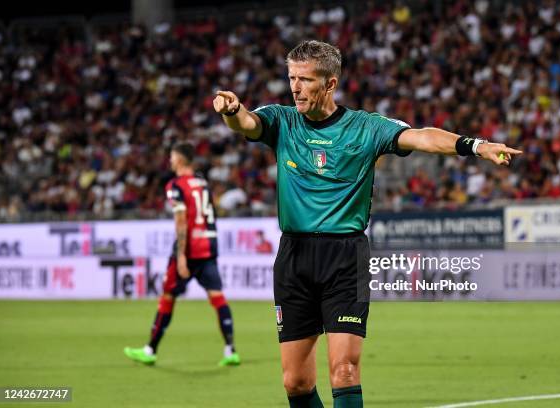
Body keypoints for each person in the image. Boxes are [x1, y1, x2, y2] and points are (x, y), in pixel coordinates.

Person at [213, 40, 521, 407]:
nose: (295, 87)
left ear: (330, 84)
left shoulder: (366, 128)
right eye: (291, 78)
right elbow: (246, 123)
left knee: (344, 369)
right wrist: (232, 111)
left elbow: (422, 136)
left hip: (345, 257)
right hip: (294, 257)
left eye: (305, 80)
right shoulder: (281, 121)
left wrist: (476, 145)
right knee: (295, 382)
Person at [124, 142, 240, 367]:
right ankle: (230, 350)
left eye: (172, 156)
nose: (169, 160)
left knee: (168, 296)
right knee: (217, 296)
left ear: (179, 159)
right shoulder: (202, 182)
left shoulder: (175, 185)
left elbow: (181, 221)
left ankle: (150, 349)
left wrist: (181, 256)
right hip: (209, 244)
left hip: (190, 248)